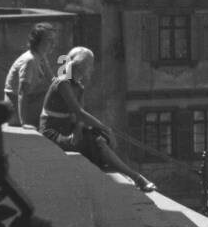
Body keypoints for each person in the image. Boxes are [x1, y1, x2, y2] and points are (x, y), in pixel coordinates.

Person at [40, 47, 156, 192]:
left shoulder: (78, 86)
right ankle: (136, 177)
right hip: (53, 131)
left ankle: (134, 177)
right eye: (90, 64)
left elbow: (79, 117)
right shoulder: (63, 83)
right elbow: (79, 112)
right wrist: (105, 128)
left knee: (99, 138)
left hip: (67, 127)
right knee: (97, 140)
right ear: (81, 65)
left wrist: (78, 130)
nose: (92, 68)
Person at [3, 23, 57, 129]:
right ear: (38, 41)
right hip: (15, 111)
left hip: (27, 103)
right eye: (49, 40)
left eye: (54, 40)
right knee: (53, 98)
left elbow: (54, 82)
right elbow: (22, 93)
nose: (53, 44)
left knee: (56, 94)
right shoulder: (30, 60)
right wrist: (24, 123)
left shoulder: (41, 57)